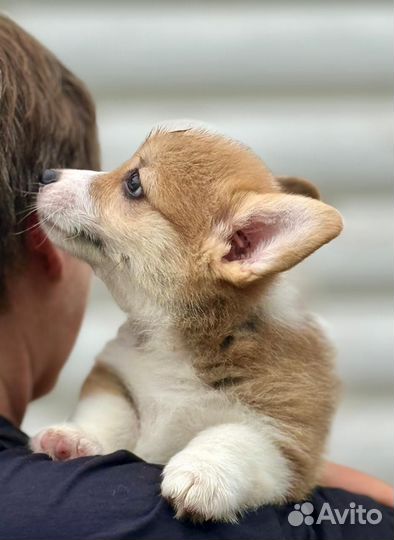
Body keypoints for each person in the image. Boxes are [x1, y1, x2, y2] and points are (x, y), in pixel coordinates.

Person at [0, 15, 392, 540]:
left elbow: (280, 447)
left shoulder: (281, 376)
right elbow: (115, 388)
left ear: (243, 245)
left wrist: (224, 456)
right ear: (40, 250)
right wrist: (99, 432)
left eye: (133, 186)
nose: (77, 182)